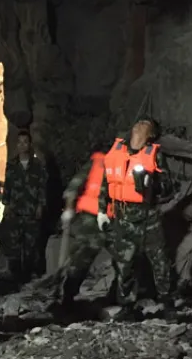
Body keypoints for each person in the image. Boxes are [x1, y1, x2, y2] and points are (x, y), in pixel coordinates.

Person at [98, 117, 175, 314]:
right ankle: (127, 306)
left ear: (151, 135)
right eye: (138, 123)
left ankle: (167, 304)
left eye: (145, 125)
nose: (140, 126)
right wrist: (101, 210)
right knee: (124, 264)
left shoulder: (155, 155)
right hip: (122, 216)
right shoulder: (117, 151)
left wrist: (153, 182)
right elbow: (106, 182)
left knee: (160, 262)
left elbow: (168, 189)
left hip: (148, 217)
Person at [59, 137, 119, 307]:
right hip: (90, 219)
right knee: (81, 260)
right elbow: (74, 186)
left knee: (124, 258)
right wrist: (69, 210)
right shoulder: (96, 163)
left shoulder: (121, 164)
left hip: (113, 218)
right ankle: (67, 298)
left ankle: (118, 297)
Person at [2, 130, 47, 283]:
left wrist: (41, 205)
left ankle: (29, 274)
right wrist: (6, 205)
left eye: (25, 142)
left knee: (31, 244)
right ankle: (14, 275)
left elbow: (42, 187)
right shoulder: (12, 165)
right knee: (14, 243)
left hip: (31, 210)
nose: (22, 145)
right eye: (19, 142)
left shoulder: (38, 166)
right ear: (17, 145)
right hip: (15, 209)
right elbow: (7, 186)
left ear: (30, 144)